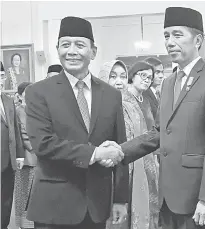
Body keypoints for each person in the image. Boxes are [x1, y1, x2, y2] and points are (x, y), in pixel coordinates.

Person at [102, 7, 205, 229]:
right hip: (166, 194)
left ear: (198, 39)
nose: (170, 42)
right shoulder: (168, 83)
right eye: (166, 36)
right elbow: (159, 132)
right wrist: (121, 150)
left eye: (177, 34)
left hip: (196, 196)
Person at [25, 16, 129, 229]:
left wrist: (120, 198)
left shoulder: (111, 94)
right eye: (65, 44)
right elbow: (43, 144)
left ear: (93, 51)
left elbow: (119, 146)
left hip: (97, 205)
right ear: (57, 49)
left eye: (79, 45)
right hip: (53, 205)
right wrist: (95, 154)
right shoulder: (39, 92)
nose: (71, 51)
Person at [99, 60, 160, 229]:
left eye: (122, 76)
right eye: (113, 76)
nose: (119, 81)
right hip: (102, 171)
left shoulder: (131, 106)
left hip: (130, 168)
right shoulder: (95, 107)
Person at [1, 61, 25, 229]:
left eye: (1, 76)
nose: (0, 81)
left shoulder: (8, 101)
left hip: (9, 162)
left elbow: (15, 129)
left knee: (6, 202)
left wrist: (20, 154)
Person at [15, 82, 37, 229]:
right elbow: (23, 134)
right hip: (28, 159)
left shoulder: (34, 110)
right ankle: (22, 225)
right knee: (24, 195)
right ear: (21, 95)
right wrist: (38, 148)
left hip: (37, 159)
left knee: (34, 195)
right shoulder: (19, 110)